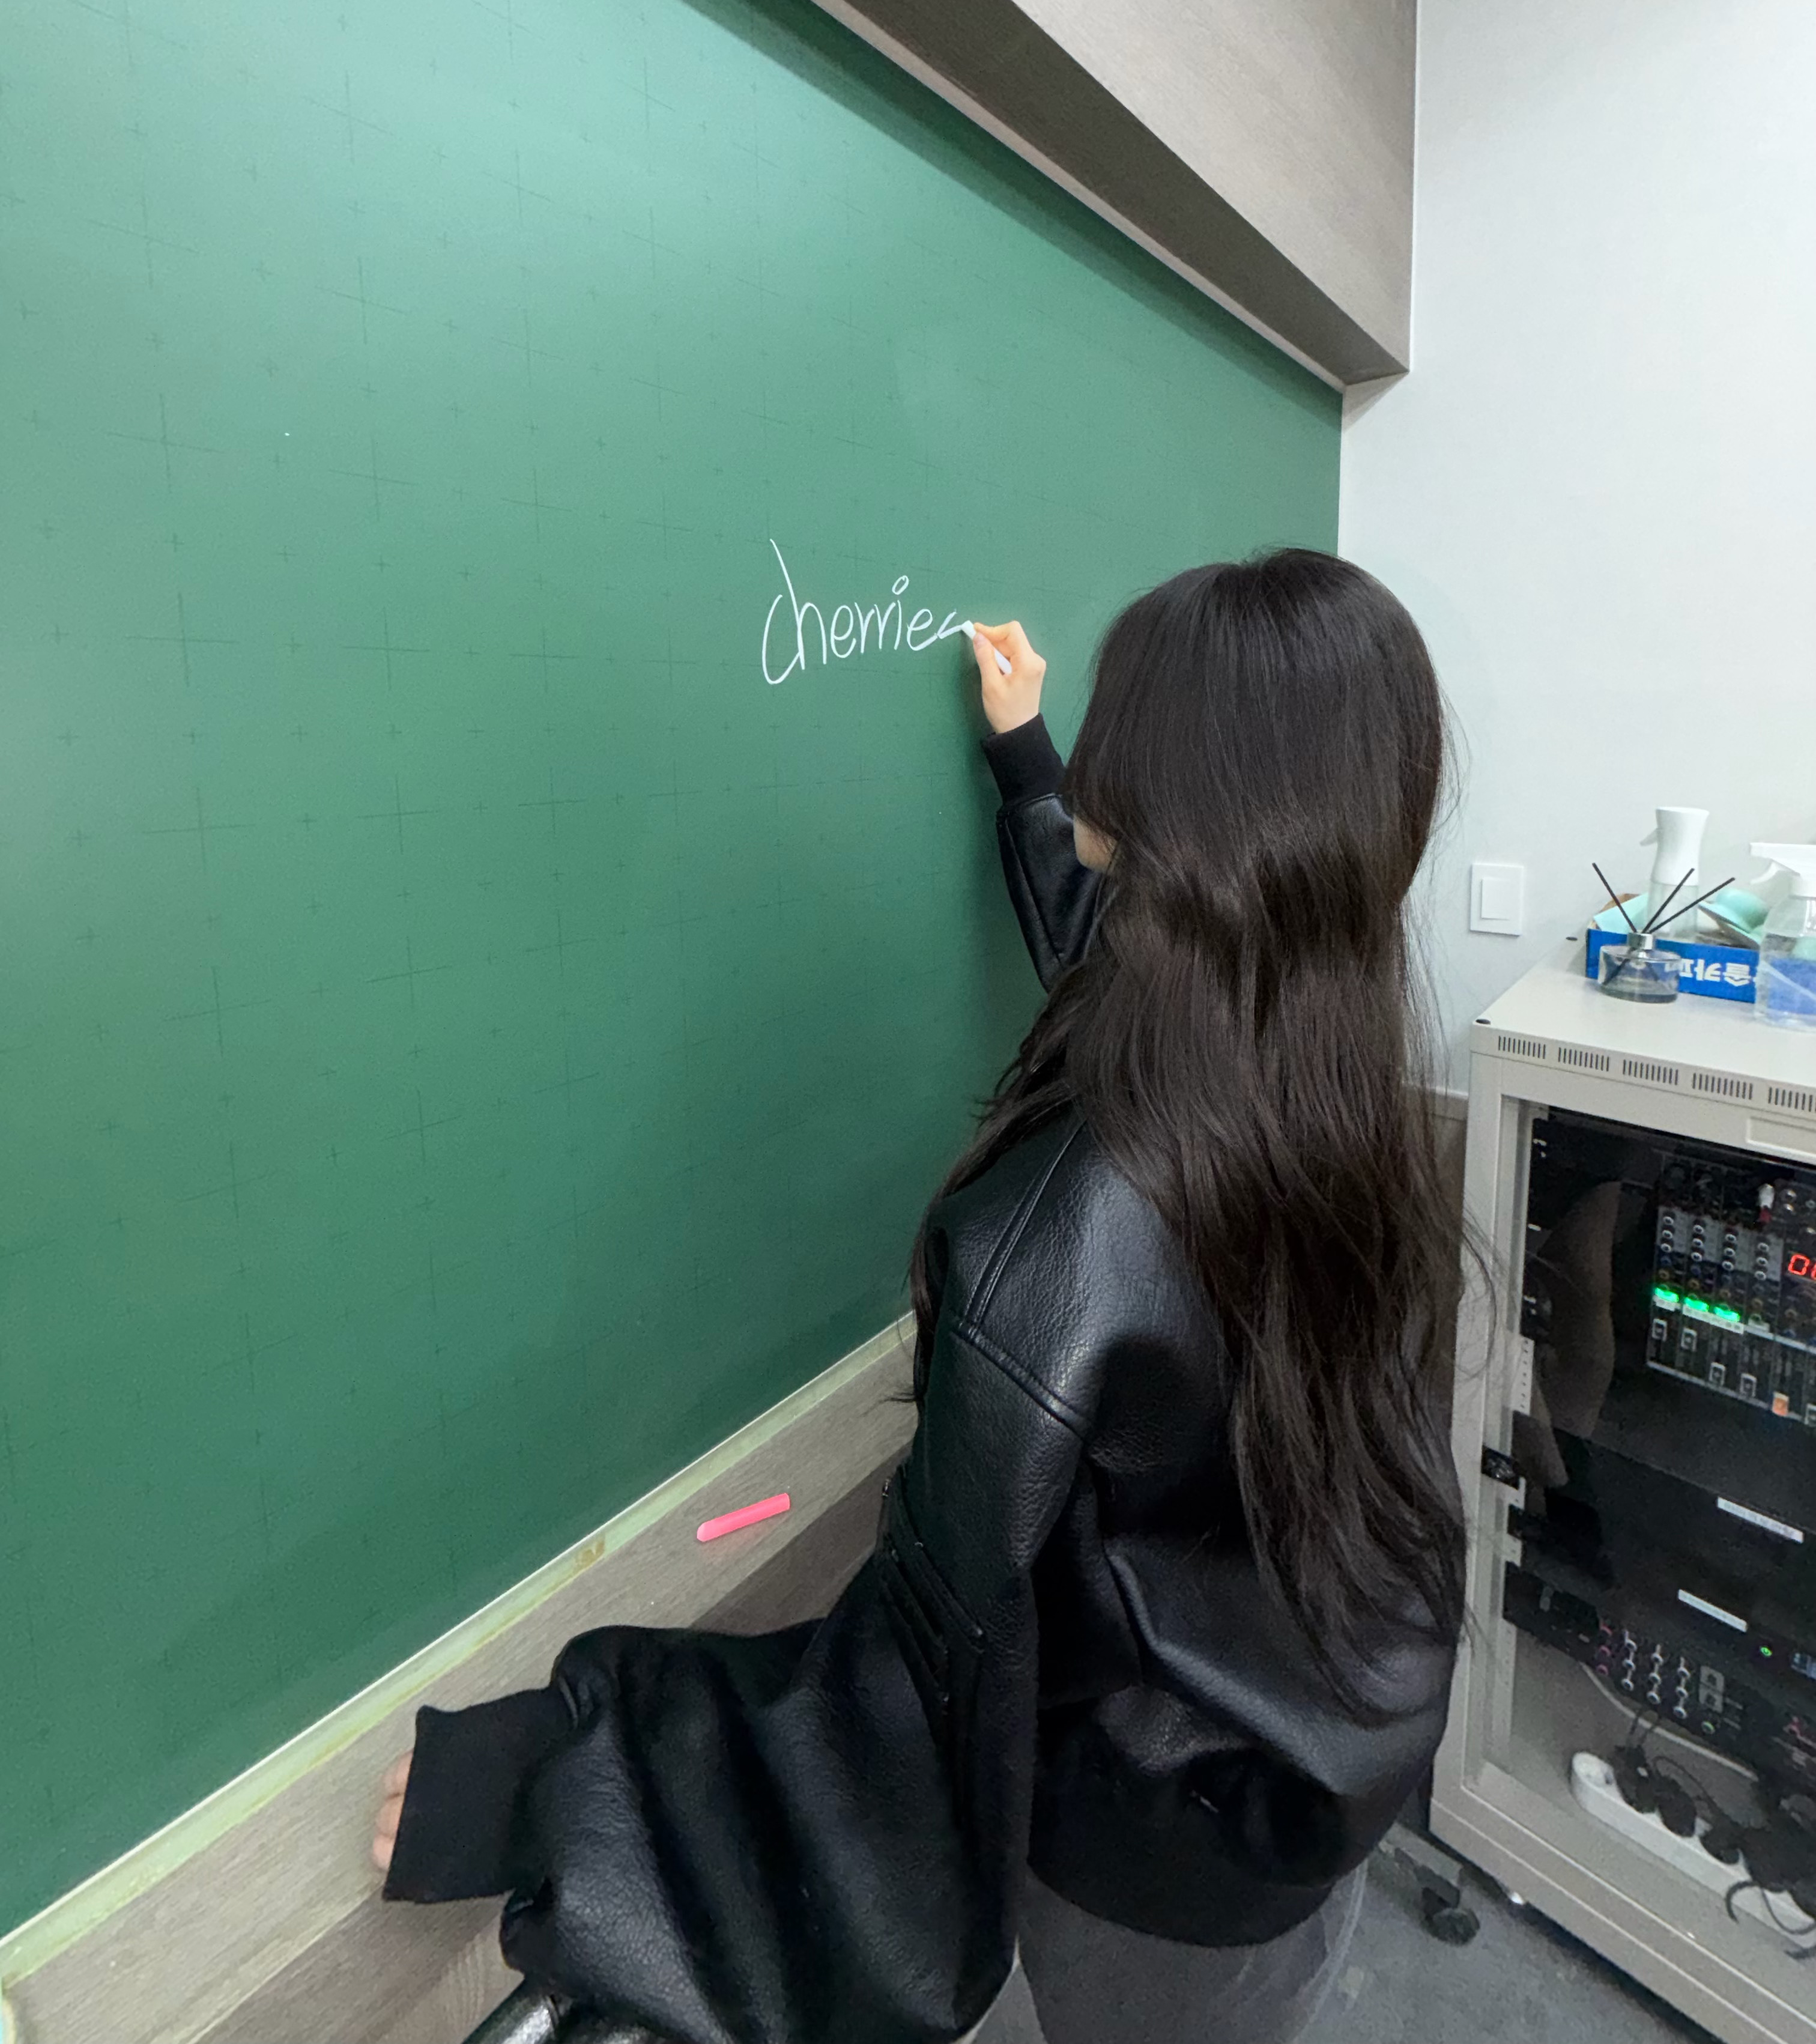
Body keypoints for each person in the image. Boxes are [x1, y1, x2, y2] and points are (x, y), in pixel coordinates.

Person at [374, 549, 1465, 2044]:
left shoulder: (1060, 1239)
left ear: (1163, 795)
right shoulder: (1322, 1061)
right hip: (1313, 1766)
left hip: (1151, 1866)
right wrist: (1031, 768)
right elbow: (1119, 955)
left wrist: (546, 1772)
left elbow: (911, 1689)